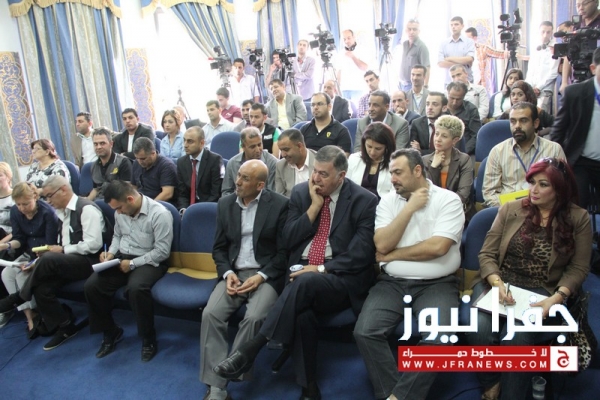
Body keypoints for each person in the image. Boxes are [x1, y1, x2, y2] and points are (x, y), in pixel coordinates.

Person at [213, 146, 378, 400]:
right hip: (299, 272)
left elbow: (361, 253)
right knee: (302, 313)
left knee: (305, 282)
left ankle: (252, 348)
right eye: (315, 172)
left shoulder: (363, 200)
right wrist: (313, 209)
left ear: (341, 176)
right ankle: (308, 388)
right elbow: (288, 240)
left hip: (339, 276)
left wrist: (321, 268)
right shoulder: (302, 193)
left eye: (324, 174)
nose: (316, 178)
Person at [469, 158, 591, 400]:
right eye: (532, 182)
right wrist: (496, 283)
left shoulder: (579, 218)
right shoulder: (511, 209)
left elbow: (578, 268)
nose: (533, 190)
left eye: (543, 185)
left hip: (543, 289)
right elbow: (486, 254)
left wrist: (556, 298)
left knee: (516, 338)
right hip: (501, 282)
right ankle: (491, 382)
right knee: (480, 330)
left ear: (560, 189)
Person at [354, 148, 464, 400]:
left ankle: (397, 397)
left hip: (437, 283)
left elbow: (438, 247)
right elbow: (382, 244)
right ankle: (396, 394)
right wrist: (409, 208)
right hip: (391, 283)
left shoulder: (448, 200)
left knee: (440, 338)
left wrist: (393, 255)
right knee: (365, 332)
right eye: (391, 172)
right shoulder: (387, 201)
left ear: (417, 170)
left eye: (398, 172)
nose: (392, 178)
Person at [200, 160, 289, 400]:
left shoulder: (280, 205)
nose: (237, 182)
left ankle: (233, 368)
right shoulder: (225, 204)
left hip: (265, 275)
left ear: (260, 185)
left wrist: (261, 276)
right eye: (238, 175)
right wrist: (227, 273)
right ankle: (217, 387)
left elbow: (284, 253)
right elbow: (219, 249)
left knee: (255, 317)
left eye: (245, 178)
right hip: (235, 273)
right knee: (211, 314)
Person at [0, 176, 107, 350]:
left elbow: (93, 245)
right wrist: (54, 251)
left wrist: (63, 250)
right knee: (41, 288)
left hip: (90, 261)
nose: (48, 201)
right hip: (68, 262)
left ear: (63, 190)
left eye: (49, 196)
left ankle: (19, 297)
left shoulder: (86, 209)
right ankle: (65, 325)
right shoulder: (61, 212)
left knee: (49, 258)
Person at [84, 180, 173, 362]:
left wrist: (132, 264)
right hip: (123, 257)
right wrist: (110, 253)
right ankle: (110, 331)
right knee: (92, 285)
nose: (117, 212)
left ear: (130, 199)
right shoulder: (120, 212)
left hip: (150, 260)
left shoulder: (159, 214)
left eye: (119, 208)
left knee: (136, 289)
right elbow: (118, 236)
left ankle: (148, 338)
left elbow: (162, 252)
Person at [0, 182, 58, 335]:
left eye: (25, 204)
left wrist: (34, 262)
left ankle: (40, 314)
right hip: (28, 252)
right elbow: (19, 239)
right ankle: (29, 315)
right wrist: (6, 246)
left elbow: (51, 244)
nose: (22, 208)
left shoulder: (47, 213)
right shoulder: (15, 211)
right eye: (18, 204)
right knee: (6, 274)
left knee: (21, 276)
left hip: (45, 254)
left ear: (35, 197)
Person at [483, 102, 566, 207]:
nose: (517, 126)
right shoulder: (497, 151)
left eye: (523, 120)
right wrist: (507, 211)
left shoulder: (554, 149)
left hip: (544, 209)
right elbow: (490, 192)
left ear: (535, 123)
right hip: (508, 210)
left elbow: (562, 188)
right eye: (513, 121)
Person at [550, 47, 600, 208]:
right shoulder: (575, 93)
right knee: (576, 206)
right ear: (593, 69)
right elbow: (558, 130)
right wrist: (556, 162)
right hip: (580, 160)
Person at [422, 115, 474, 217]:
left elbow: (463, 194)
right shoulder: (425, 160)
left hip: (456, 211)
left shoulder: (464, 160)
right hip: (430, 212)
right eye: (436, 134)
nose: (438, 139)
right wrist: (433, 167)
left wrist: (443, 209)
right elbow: (426, 192)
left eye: (444, 136)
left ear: (455, 140)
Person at [176, 126, 224, 213]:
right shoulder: (181, 162)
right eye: (184, 140)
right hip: (188, 208)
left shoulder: (215, 160)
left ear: (202, 143)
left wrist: (199, 211)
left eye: (190, 141)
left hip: (208, 207)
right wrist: (184, 209)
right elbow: (182, 193)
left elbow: (216, 193)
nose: (185, 145)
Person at [221, 128, 278, 196]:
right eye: (252, 147)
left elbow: (272, 194)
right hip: (238, 200)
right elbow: (226, 191)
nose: (257, 150)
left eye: (259, 145)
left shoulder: (272, 163)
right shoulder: (233, 163)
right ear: (243, 147)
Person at [347, 122, 395, 200]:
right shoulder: (354, 158)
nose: (372, 152)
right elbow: (347, 187)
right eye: (369, 146)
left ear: (387, 147)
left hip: (383, 204)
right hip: (357, 203)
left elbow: (395, 194)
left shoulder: (394, 163)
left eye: (378, 149)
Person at [87, 127, 133, 201]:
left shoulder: (123, 162)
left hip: (118, 201)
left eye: (102, 143)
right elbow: (96, 189)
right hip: (99, 201)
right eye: (95, 144)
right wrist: (86, 202)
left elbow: (127, 190)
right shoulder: (94, 166)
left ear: (111, 144)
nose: (98, 147)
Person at [525, 22, 560, 115]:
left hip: (545, 89)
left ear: (552, 33)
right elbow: (530, 70)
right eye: (543, 32)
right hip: (531, 88)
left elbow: (553, 72)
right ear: (538, 32)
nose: (545, 35)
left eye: (548, 32)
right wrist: (529, 87)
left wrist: (538, 88)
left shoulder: (555, 47)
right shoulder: (535, 46)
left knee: (541, 116)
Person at [131, 137, 178, 202]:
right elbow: (134, 187)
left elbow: (167, 194)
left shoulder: (166, 166)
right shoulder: (136, 163)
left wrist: (149, 206)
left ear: (153, 153)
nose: (139, 162)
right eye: (137, 158)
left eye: (143, 159)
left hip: (159, 203)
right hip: (141, 201)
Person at [274, 128, 317, 197]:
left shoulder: (320, 161)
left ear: (299, 146)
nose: (283, 155)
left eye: (286, 149)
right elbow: (280, 197)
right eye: (281, 150)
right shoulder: (280, 166)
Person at [464, 27, 507, 94]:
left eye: (468, 39)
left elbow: (499, 53)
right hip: (467, 85)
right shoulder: (462, 51)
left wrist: (512, 54)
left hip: (480, 84)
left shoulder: (483, 48)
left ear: (475, 38)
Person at [446, 82, 481, 156]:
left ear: (464, 96)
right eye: (452, 98)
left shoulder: (471, 109)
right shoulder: (440, 107)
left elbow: (476, 135)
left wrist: (464, 152)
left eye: (458, 99)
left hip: (464, 151)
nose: (454, 102)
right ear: (447, 93)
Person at [438, 16, 476, 84]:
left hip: (467, 81)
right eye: (451, 25)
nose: (453, 27)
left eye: (456, 24)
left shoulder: (469, 42)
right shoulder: (443, 44)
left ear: (462, 26)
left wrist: (449, 58)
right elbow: (441, 63)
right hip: (449, 83)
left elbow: (469, 59)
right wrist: (463, 64)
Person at [337, 29, 373, 102]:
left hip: (358, 88)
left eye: (349, 38)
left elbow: (364, 67)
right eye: (344, 39)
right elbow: (339, 71)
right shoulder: (341, 53)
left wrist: (353, 57)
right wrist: (338, 87)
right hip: (344, 89)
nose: (346, 41)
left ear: (354, 37)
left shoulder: (362, 50)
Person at [397, 19, 430, 91]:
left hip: (413, 85)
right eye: (409, 29)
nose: (411, 32)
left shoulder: (422, 47)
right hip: (401, 84)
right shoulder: (405, 44)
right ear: (406, 31)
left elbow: (427, 67)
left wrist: (425, 86)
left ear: (419, 31)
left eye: (414, 29)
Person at [0, 162, 14, 252]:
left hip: (11, 241)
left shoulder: (17, 197)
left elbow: (22, 229)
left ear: (8, 177)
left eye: (0, 175)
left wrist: (1, 243)